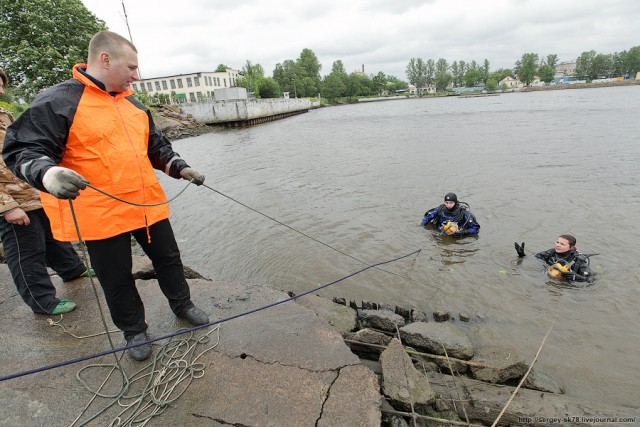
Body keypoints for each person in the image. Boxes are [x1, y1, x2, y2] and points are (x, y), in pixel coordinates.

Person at [3, 31, 209, 361]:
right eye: (132, 67)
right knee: (116, 276)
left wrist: (179, 167)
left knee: (169, 260)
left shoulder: (134, 103)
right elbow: (22, 149)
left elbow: (155, 147)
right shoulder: (59, 101)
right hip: (100, 214)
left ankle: (183, 304)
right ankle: (135, 331)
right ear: (106, 59)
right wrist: (48, 173)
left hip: (146, 205)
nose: (136, 75)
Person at [0, 68, 93, 315]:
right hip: (13, 201)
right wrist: (7, 206)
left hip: (32, 191)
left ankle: (72, 269)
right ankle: (42, 301)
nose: (1, 90)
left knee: (52, 238)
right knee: (27, 252)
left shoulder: (3, 115)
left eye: (1, 84)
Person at [514, 234, 594, 284]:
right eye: (557, 242)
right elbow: (535, 258)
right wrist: (522, 255)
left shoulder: (578, 260)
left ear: (571, 247)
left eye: (562, 244)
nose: (558, 245)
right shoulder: (551, 252)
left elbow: (591, 280)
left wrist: (575, 277)